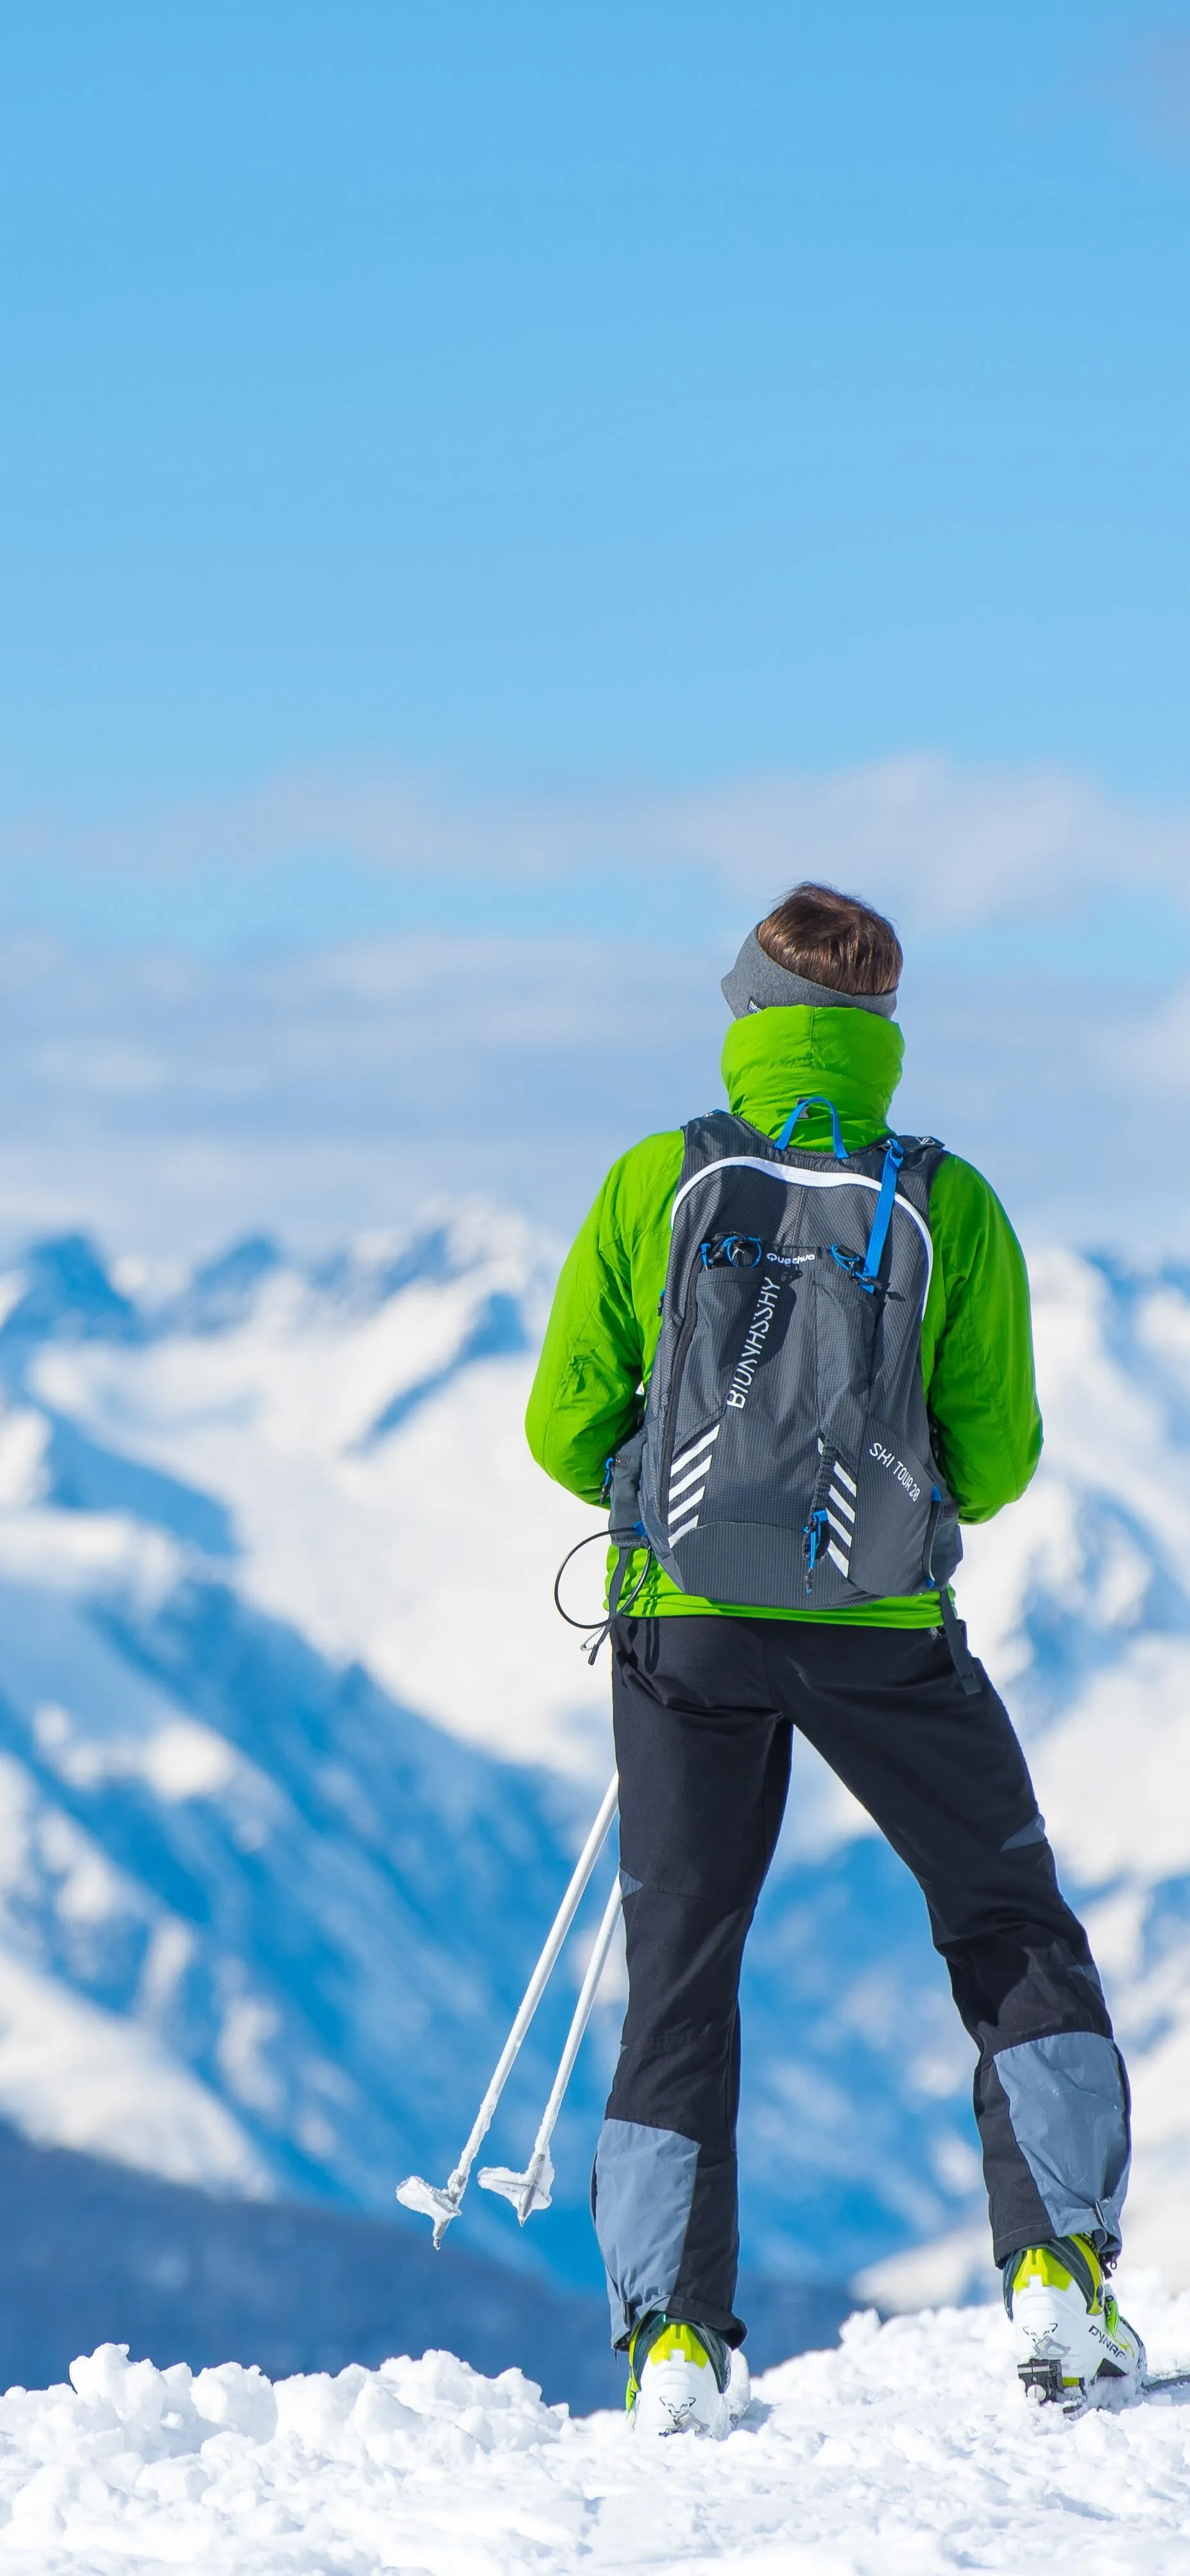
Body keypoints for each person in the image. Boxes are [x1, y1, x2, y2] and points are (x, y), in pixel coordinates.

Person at [525, 881, 1139, 2437]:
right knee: (1004, 1919)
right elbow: (995, 1459)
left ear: (745, 1011)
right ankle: (1060, 2267)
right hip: (881, 1631)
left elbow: (560, 1425)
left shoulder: (656, 1182)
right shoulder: (950, 1198)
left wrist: (672, 1498)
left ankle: (673, 2339)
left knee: (683, 1965)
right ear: (885, 1026)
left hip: (686, 1622)